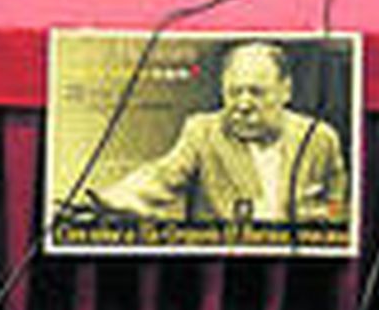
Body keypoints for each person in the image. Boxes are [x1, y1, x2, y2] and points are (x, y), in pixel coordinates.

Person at [93, 41, 347, 225]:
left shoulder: (320, 138)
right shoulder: (203, 132)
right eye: (234, 92)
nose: (243, 105)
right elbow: (162, 176)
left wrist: (317, 214)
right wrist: (113, 199)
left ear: (285, 90)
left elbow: (340, 208)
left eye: (256, 92)